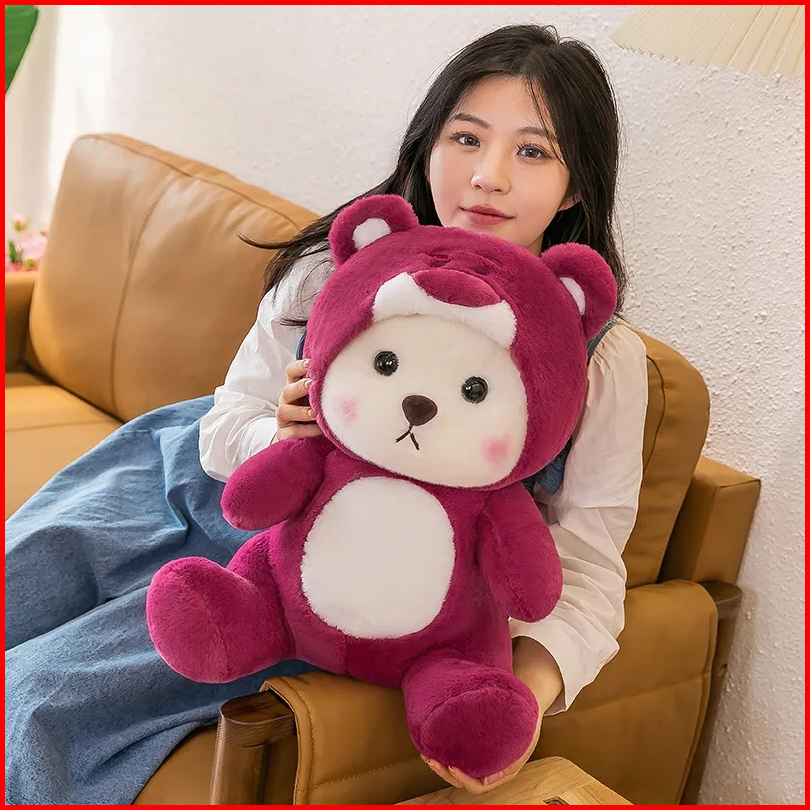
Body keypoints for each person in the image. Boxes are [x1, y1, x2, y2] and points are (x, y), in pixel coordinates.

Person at [5, 23, 647, 805]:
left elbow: (589, 565)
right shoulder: (332, 271)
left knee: (37, 697)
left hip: (318, 568)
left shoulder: (601, 360)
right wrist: (279, 432)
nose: (488, 177)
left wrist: (525, 694)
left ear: (577, 186)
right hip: (182, 482)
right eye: (466, 138)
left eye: (533, 152)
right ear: (428, 144)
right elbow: (225, 424)